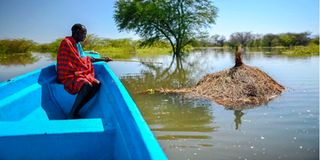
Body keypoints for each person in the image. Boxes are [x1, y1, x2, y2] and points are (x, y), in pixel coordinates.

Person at [57, 23, 112, 119]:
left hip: (76, 73)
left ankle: (77, 109)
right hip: (68, 75)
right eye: (84, 33)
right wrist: (86, 61)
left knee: (96, 84)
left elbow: (84, 58)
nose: (85, 36)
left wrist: (103, 59)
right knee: (86, 84)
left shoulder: (77, 45)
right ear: (77, 32)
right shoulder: (66, 42)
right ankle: (72, 113)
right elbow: (78, 60)